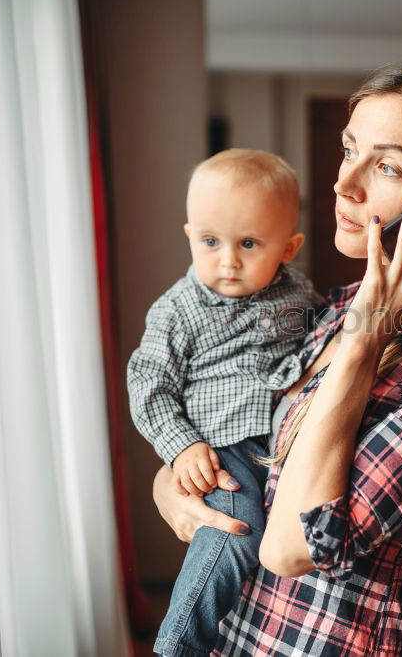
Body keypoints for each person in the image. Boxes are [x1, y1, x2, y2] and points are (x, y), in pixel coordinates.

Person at [151, 64, 402, 656]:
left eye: (386, 167)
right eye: (348, 150)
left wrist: (366, 338)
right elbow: (248, 441)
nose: (344, 185)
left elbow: (289, 547)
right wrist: (170, 484)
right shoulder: (320, 311)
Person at [127, 148, 322, 657]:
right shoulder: (179, 310)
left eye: (250, 244)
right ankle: (177, 644)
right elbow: (148, 383)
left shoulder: (300, 295)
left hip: (282, 444)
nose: (228, 260)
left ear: (288, 247)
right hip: (222, 449)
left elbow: (324, 342)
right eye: (210, 242)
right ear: (190, 235)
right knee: (236, 531)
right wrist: (182, 447)